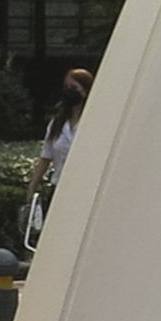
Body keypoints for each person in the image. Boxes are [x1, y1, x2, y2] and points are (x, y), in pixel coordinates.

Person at [27, 64, 92, 246]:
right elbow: (46, 158)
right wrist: (32, 186)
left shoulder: (93, 122)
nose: (69, 92)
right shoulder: (56, 124)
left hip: (85, 189)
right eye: (66, 88)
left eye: (74, 88)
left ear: (85, 92)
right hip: (60, 188)